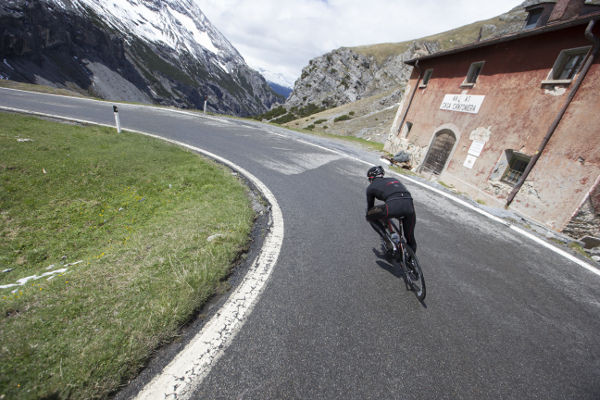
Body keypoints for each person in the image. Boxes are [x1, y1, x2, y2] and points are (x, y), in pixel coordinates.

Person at [365, 165, 417, 254]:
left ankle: (386, 239)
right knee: (410, 238)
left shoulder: (371, 187)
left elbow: (370, 208)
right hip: (409, 206)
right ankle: (411, 263)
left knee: (369, 216)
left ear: (371, 178)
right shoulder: (394, 179)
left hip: (393, 207)